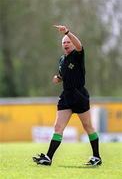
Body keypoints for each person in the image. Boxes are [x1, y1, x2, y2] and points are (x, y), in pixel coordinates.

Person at [33, 25, 102, 166]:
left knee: (88, 126)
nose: (66, 44)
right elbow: (64, 75)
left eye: (68, 42)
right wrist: (58, 78)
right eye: (63, 42)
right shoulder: (62, 59)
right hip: (66, 95)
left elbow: (79, 45)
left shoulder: (78, 54)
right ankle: (48, 157)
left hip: (79, 94)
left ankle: (97, 157)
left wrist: (68, 33)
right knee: (58, 128)